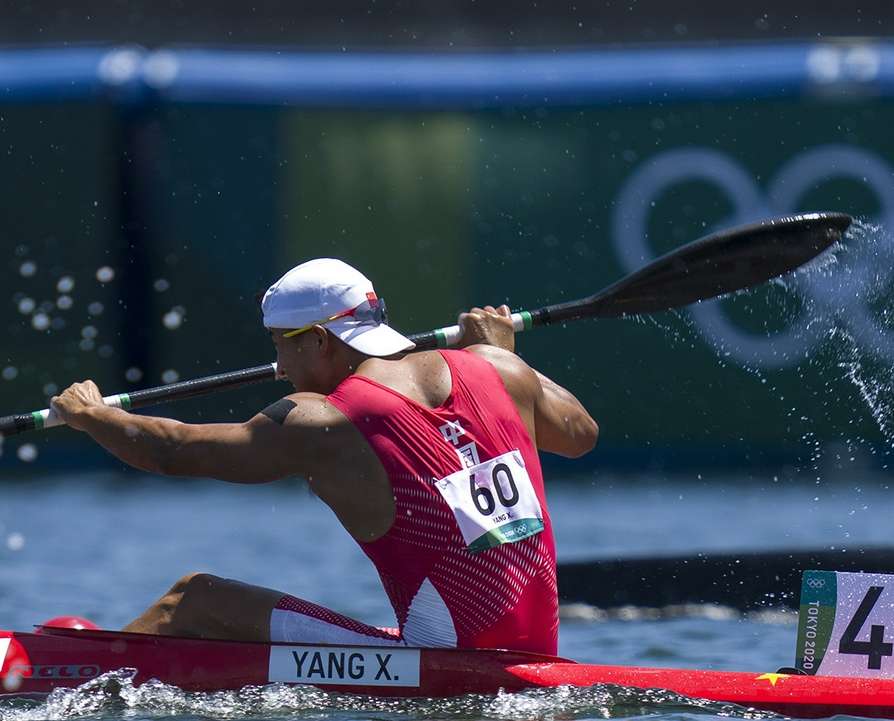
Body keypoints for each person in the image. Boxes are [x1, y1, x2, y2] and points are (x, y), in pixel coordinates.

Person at [51, 258, 598, 654]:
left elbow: (172, 451)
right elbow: (581, 433)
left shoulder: (324, 421)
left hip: (443, 662)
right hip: (534, 653)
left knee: (192, 602)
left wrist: (91, 414)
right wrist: (502, 355)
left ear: (318, 340)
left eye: (279, 344)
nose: (281, 367)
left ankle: (70, 672)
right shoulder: (498, 367)